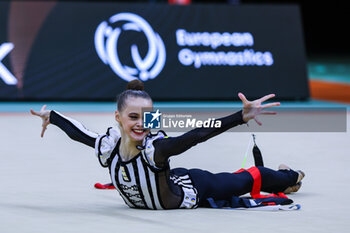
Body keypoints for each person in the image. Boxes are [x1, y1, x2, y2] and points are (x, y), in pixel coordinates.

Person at [30, 80, 304, 210]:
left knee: (245, 180)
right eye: (132, 117)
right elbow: (80, 133)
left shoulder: (155, 150)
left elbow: (197, 134)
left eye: (145, 117)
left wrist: (239, 117)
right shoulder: (109, 147)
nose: (140, 124)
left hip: (194, 186)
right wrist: (51, 117)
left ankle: (292, 176)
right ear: (118, 117)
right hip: (167, 179)